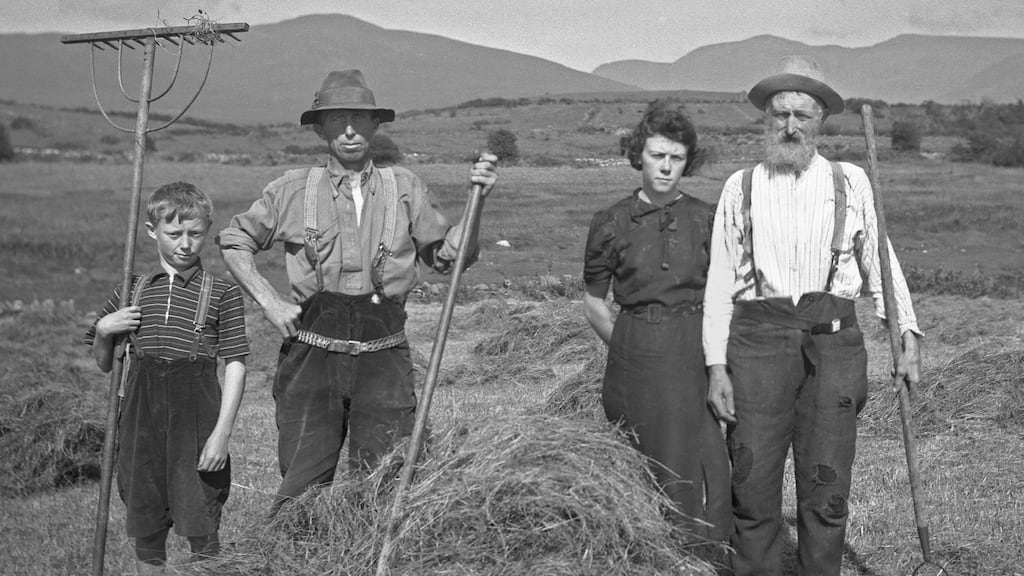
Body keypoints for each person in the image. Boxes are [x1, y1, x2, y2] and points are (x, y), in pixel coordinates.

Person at [217, 69, 498, 512]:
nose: (349, 130)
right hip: (311, 358)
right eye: (336, 120)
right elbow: (234, 242)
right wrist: (270, 302)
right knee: (302, 487)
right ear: (319, 128)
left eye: (359, 119)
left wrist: (477, 200)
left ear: (374, 125)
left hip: (384, 356)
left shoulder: (404, 187)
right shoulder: (291, 189)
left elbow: (450, 258)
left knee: (386, 480)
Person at [702, 56, 923, 575]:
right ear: (766, 119)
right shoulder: (742, 186)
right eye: (779, 114)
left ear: (821, 119)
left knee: (827, 490)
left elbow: (879, 262)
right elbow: (718, 281)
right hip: (757, 346)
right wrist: (716, 366)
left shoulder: (850, 182)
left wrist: (905, 329)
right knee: (752, 484)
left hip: (833, 346)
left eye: (802, 114)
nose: (790, 126)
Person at [582, 100, 731, 540]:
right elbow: (593, 303)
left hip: (695, 349)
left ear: (688, 161)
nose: (666, 168)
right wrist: (632, 346)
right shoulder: (611, 222)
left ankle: (705, 554)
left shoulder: (709, 219)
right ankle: (648, 548)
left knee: (705, 459)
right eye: (657, 156)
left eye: (677, 158)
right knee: (647, 457)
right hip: (635, 352)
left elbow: (727, 296)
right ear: (638, 156)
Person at [86, 182, 249, 574]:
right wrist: (106, 330)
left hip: (196, 422)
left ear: (207, 229)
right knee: (146, 521)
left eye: (195, 234)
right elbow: (105, 363)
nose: (185, 244)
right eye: (174, 234)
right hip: (141, 422)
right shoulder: (132, 289)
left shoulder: (223, 293)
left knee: (202, 517)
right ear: (151, 231)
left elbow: (236, 363)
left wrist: (221, 434)